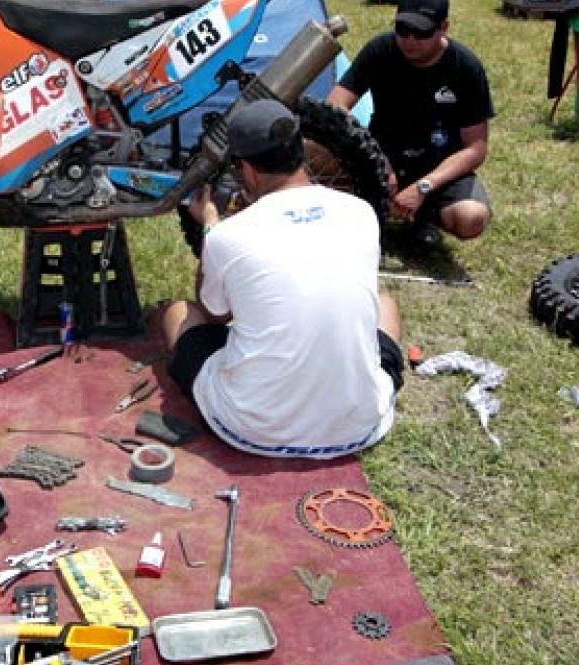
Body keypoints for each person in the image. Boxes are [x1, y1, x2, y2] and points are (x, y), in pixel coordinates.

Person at [159, 99, 405, 458]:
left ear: (247, 170)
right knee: (387, 305)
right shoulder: (360, 213)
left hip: (254, 429)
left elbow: (214, 315)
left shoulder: (230, 235)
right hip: (359, 424)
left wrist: (211, 226)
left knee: (178, 312)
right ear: (300, 151)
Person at [329, 0, 494, 242]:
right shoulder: (379, 50)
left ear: (443, 28)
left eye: (421, 32)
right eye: (402, 30)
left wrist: (424, 186)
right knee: (312, 149)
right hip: (381, 156)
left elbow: (475, 148)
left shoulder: (466, 68)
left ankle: (422, 216)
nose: (410, 40)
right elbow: (335, 107)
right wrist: (376, 160)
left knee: (470, 218)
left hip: (436, 167)